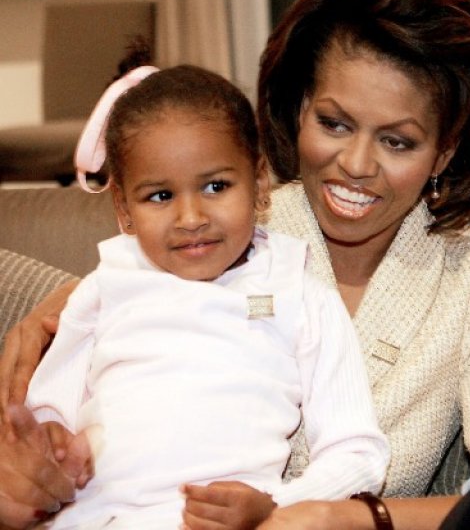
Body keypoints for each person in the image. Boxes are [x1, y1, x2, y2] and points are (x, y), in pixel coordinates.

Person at [0, 0, 470, 528]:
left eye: (398, 141)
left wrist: (342, 517)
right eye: (334, 123)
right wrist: (49, 320)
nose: (357, 165)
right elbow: (122, 306)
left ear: (442, 155)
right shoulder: (220, 221)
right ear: (298, 111)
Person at [21, 55, 389, 529]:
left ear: (259, 184)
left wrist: (279, 502)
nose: (191, 217)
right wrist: (49, 444)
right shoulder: (103, 289)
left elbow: (359, 453)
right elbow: (48, 411)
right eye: (160, 196)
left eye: (216, 186)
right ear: (124, 208)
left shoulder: (298, 293)